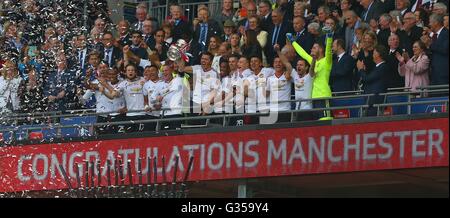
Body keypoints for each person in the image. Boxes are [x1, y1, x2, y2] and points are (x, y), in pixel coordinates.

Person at [288, 27, 334, 121]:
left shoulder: (326, 61)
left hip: (324, 96)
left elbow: (328, 51)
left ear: (320, 50)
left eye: (314, 48)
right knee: (317, 124)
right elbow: (302, 53)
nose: (311, 49)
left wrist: (329, 37)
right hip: (314, 98)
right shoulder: (313, 61)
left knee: (326, 121)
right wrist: (293, 41)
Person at [356, 45, 389, 116]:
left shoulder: (382, 67)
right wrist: (363, 71)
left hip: (376, 102)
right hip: (371, 101)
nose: (372, 55)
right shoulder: (376, 67)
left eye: (374, 53)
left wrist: (361, 69)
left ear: (379, 54)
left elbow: (367, 79)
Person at [429, 14, 449, 85]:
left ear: (436, 22)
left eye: (430, 22)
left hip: (444, 73)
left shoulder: (446, 33)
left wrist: (430, 44)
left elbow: (445, 49)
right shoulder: (432, 36)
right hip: (433, 74)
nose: (429, 24)